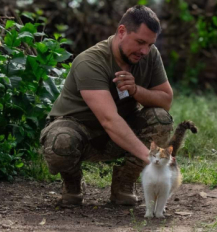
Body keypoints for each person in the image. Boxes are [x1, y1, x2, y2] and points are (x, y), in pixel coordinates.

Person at [40, 5, 174, 206]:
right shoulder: (90, 61)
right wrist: (152, 159)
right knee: (61, 141)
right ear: (122, 32)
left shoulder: (150, 54)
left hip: (121, 133)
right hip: (83, 134)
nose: (144, 51)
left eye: (149, 44)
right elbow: (109, 120)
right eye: (140, 42)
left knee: (160, 118)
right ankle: (72, 183)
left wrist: (136, 90)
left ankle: (124, 184)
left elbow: (166, 100)